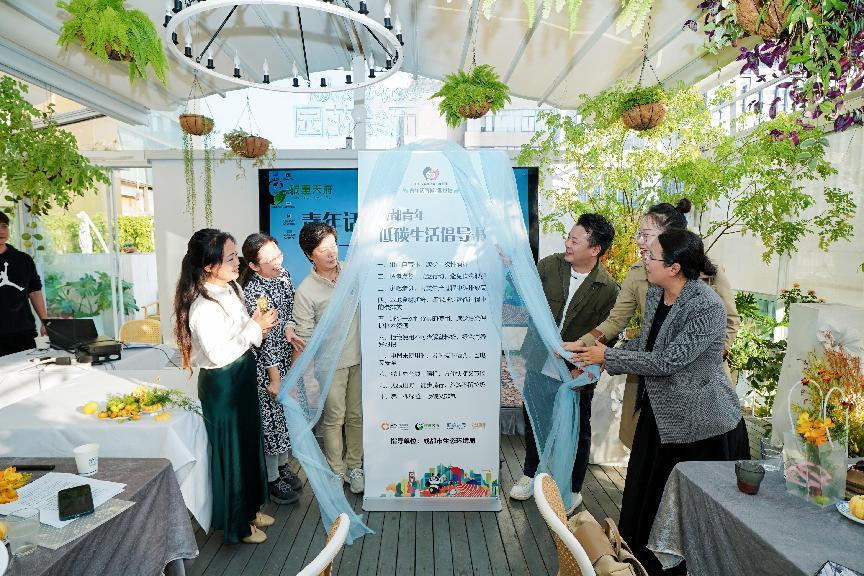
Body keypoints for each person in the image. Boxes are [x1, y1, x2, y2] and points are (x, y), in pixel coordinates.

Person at [572, 229, 749, 574]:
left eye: (650, 256)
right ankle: (639, 565)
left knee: (685, 516)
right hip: (660, 415)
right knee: (646, 500)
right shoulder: (656, 292)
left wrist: (607, 357)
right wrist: (594, 355)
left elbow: (669, 360)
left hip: (701, 425)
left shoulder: (707, 306)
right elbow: (646, 345)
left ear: (674, 267)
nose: (644, 259)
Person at [566, 199, 739, 449]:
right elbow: (619, 322)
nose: (639, 241)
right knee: (647, 445)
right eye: (640, 234)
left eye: (646, 235)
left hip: (697, 388)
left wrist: (706, 352)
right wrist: (586, 347)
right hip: (650, 373)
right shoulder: (642, 275)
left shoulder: (706, 274)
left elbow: (728, 321)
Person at [508, 213, 619, 513]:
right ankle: (531, 474)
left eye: (575, 240)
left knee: (578, 429)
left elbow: (607, 335)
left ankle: (572, 489)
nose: (567, 244)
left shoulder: (608, 289)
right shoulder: (550, 266)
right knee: (535, 419)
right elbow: (523, 289)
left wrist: (585, 369)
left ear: (595, 249)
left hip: (575, 371)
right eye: (568, 237)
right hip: (540, 360)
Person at [173, 228, 278, 545]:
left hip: (241, 374)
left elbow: (241, 332)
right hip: (223, 384)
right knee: (232, 453)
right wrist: (255, 328)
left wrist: (256, 322)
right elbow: (219, 354)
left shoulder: (232, 287)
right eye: (230, 258)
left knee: (248, 445)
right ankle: (238, 525)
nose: (238, 262)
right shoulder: (203, 306)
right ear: (209, 266)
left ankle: (250, 509)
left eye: (236, 256)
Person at [292, 221, 364, 494]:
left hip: (361, 359)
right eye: (323, 250)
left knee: (356, 416)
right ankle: (337, 470)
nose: (332, 253)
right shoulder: (306, 291)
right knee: (334, 419)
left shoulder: (352, 273)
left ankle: (355, 466)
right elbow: (305, 335)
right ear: (310, 255)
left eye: (333, 246)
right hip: (331, 365)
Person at [240, 233, 307, 506]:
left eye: (278, 255)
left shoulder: (283, 275)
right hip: (268, 366)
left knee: (285, 418)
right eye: (270, 260)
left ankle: (282, 465)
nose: (278, 262)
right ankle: (271, 478)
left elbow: (290, 310)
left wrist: (289, 328)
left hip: (286, 357)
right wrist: (275, 379)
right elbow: (264, 339)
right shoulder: (254, 293)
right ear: (254, 266)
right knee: (271, 423)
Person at [0, 211, 48, 356]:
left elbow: (34, 292)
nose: (1, 231)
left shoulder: (23, 259)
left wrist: (45, 322)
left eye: (4, 226)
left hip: (24, 332)